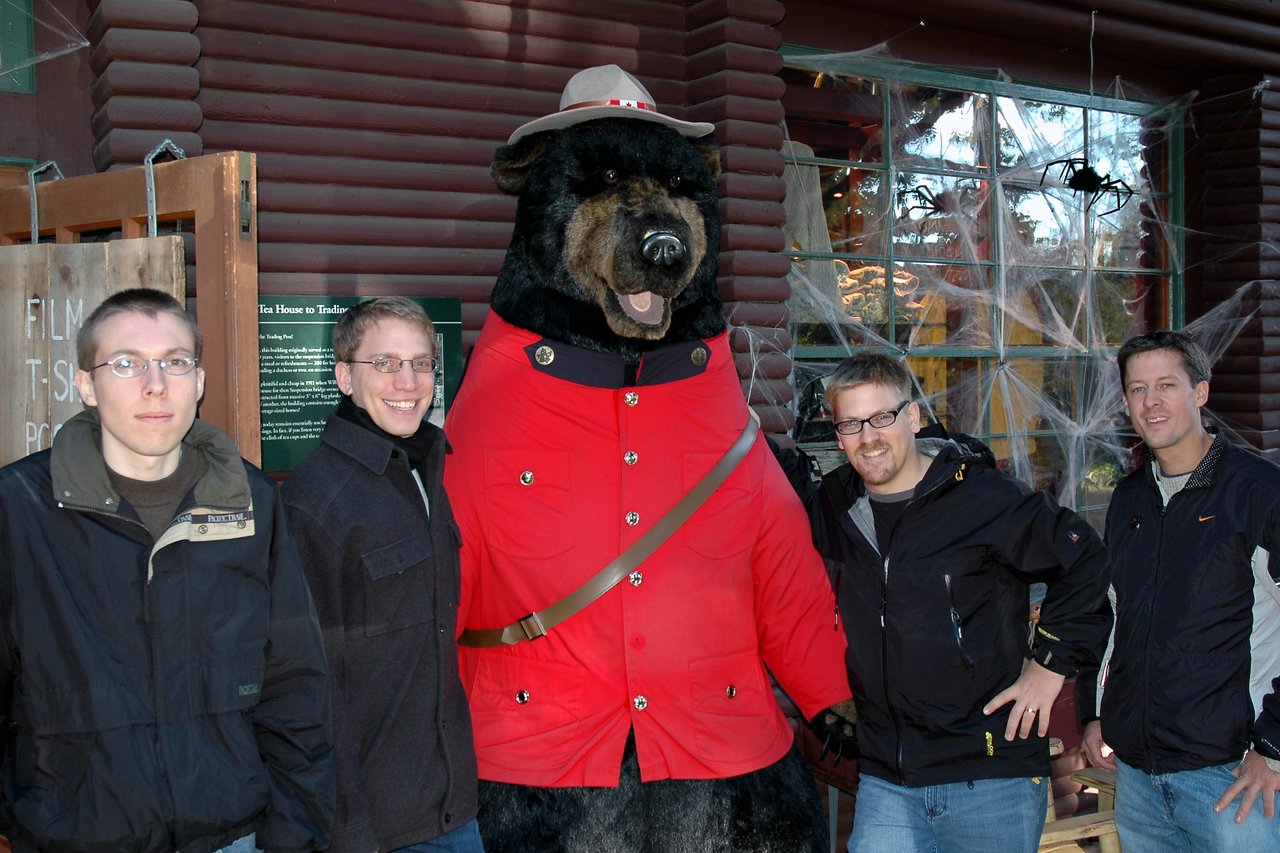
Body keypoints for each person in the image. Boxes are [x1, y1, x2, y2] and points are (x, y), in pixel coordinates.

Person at [0, 288, 334, 853]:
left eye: (175, 362)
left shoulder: (250, 504)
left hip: (233, 838)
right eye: (126, 363)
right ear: (86, 385)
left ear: (199, 383)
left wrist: (293, 835)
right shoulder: (21, 509)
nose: (155, 384)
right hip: (75, 837)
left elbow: (295, 685)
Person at [772, 352, 1112, 853]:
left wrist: (1049, 667)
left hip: (987, 774)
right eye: (851, 423)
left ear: (912, 417)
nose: (869, 437)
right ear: (837, 433)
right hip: (888, 777)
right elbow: (767, 492)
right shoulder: (834, 506)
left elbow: (1086, 559)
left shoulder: (982, 499)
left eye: (882, 417)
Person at [282, 297, 482, 853]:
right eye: (385, 363)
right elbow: (305, 686)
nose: (407, 380)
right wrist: (347, 831)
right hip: (374, 826)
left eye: (421, 363)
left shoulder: (426, 471)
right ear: (345, 376)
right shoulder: (315, 502)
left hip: (452, 808)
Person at [1078, 328, 1280, 851]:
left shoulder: (1259, 494)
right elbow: (1113, 616)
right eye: (1138, 390)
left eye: (1167, 384)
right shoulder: (1129, 499)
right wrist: (1095, 712)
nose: (1152, 402)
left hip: (1235, 776)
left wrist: (1275, 746)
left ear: (1201, 391)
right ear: (1125, 402)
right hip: (1140, 778)